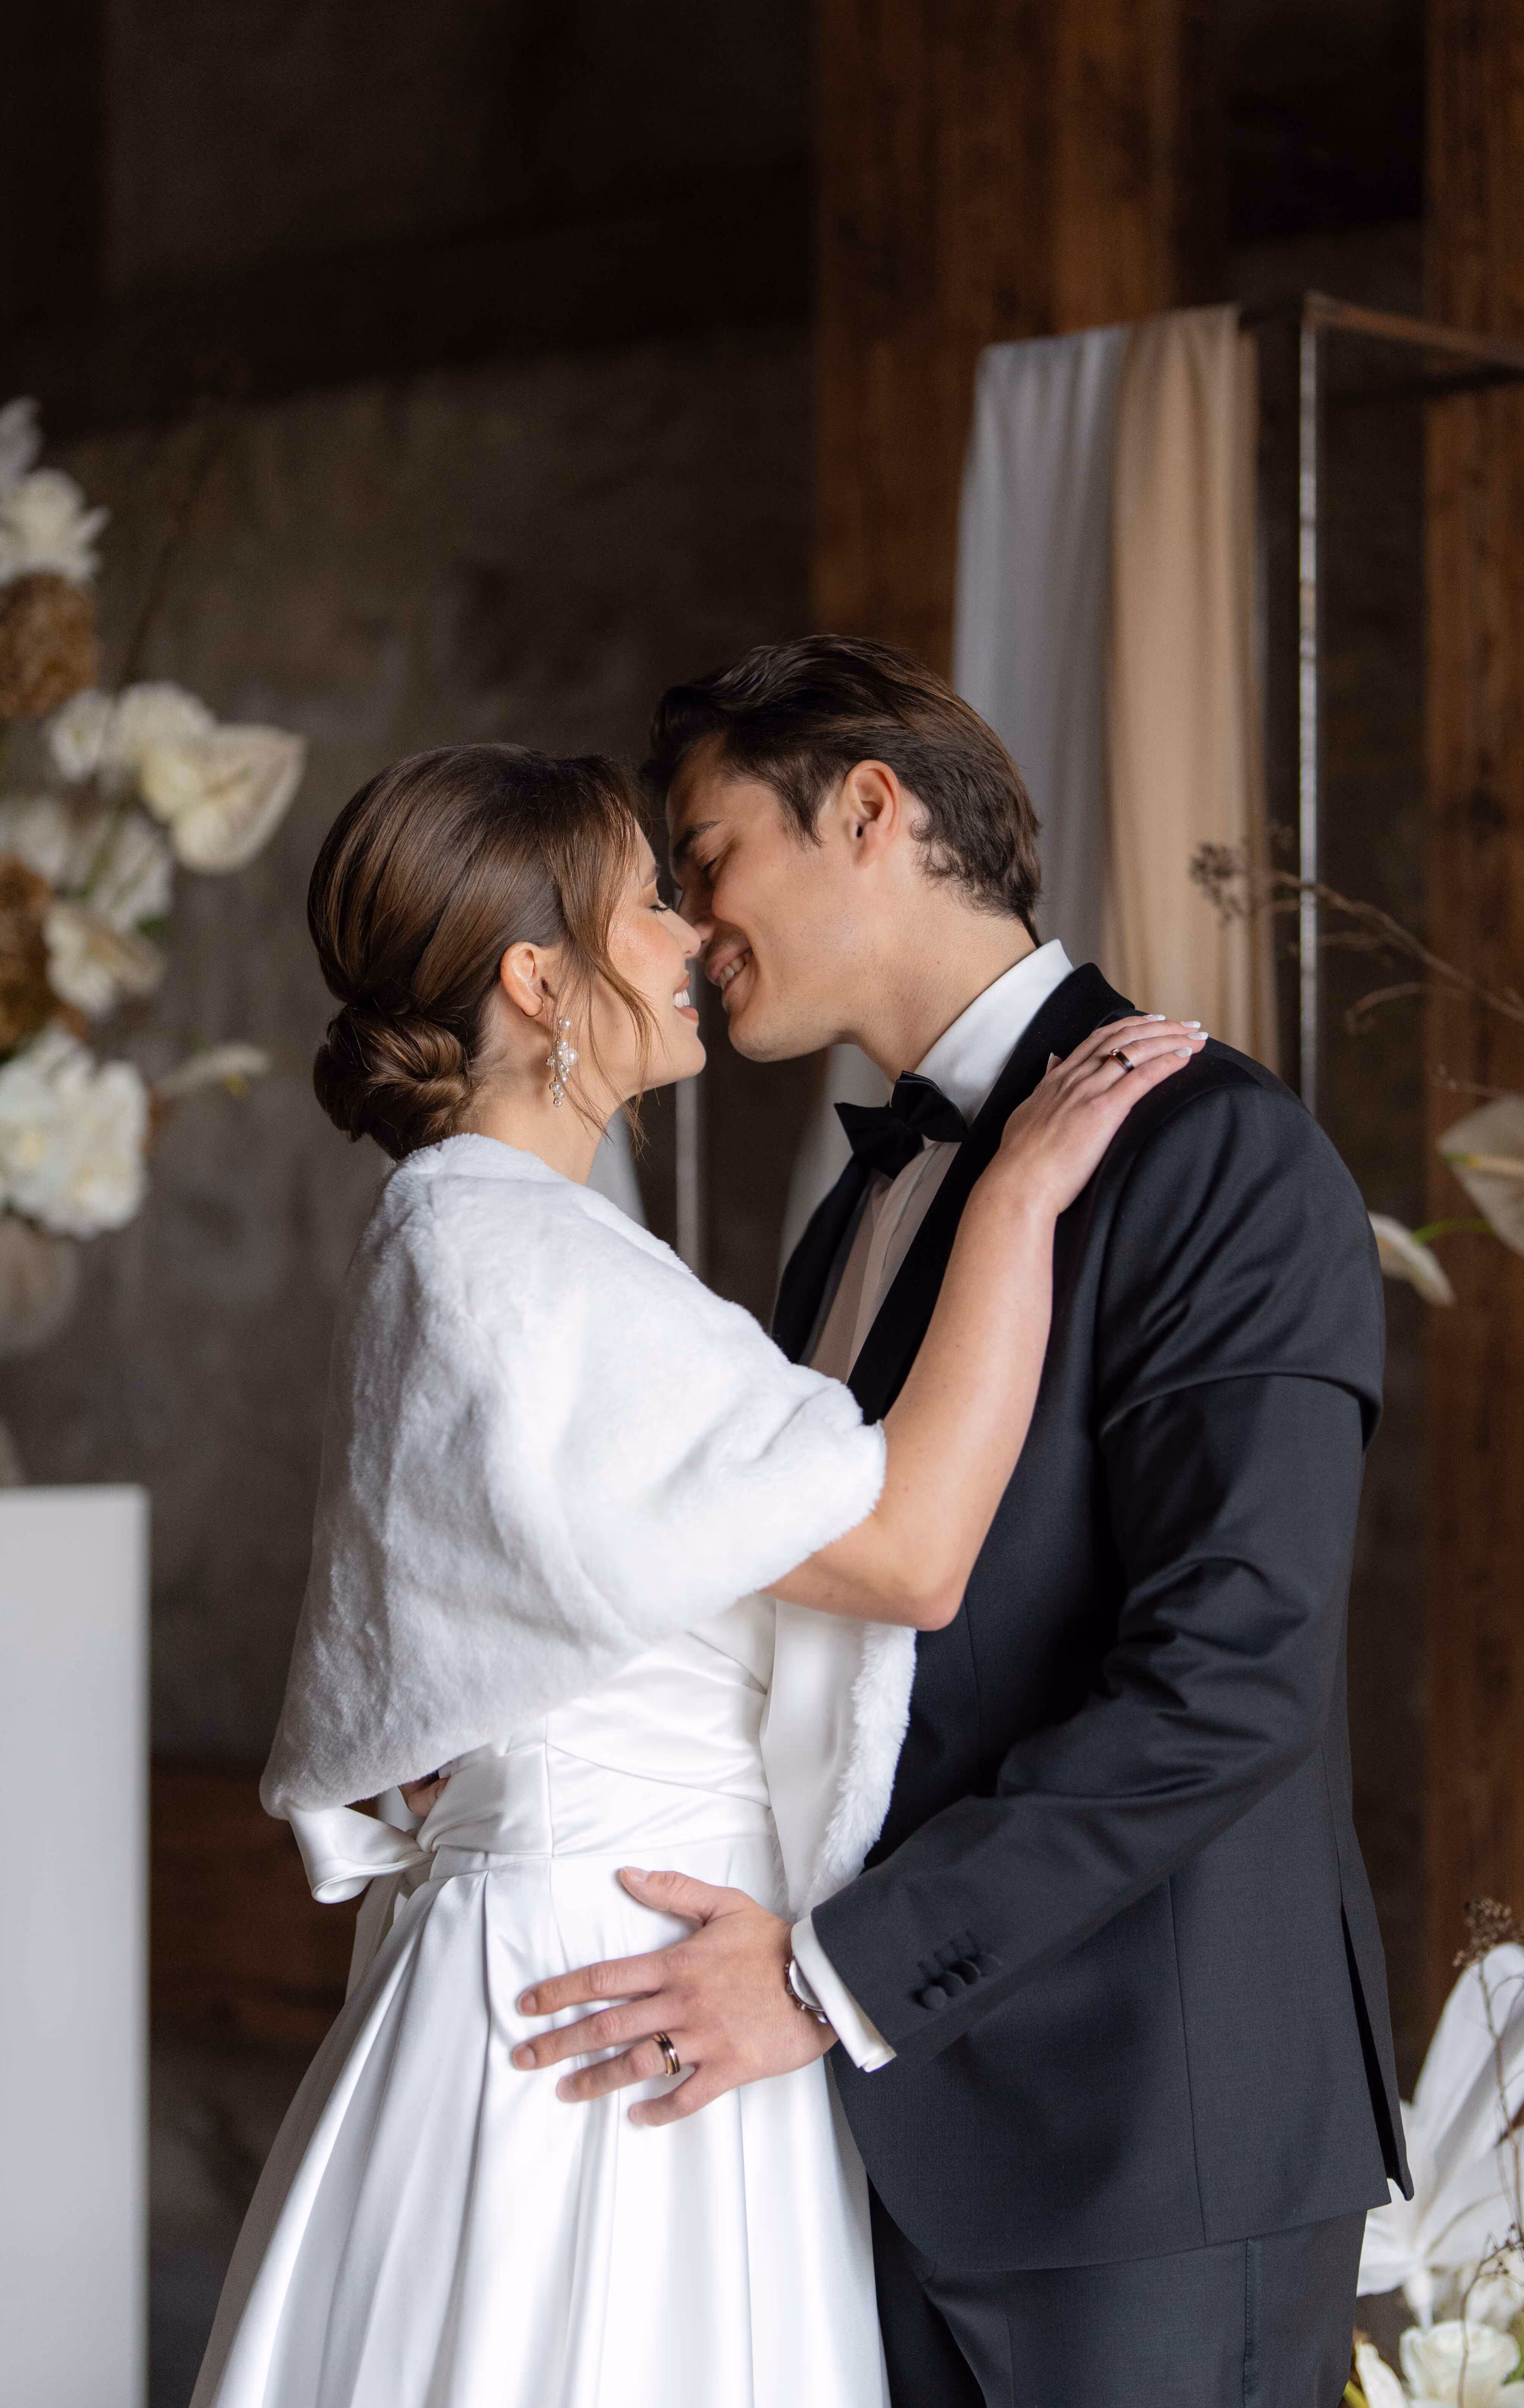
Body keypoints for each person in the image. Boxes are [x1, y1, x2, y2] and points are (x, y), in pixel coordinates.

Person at [193, 740, 1201, 2408]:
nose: (689, 939)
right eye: (647, 905)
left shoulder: (459, 1240)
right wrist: (1017, 1199)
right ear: (541, 982)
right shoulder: (525, 1257)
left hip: (600, 1955)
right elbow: (910, 1555)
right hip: (625, 1985)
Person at [512, 638, 1408, 2408]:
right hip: (877, 2142)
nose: (691, 926)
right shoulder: (858, 1212)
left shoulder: (1212, 1154)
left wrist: (830, 1981)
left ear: (869, 810)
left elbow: (1231, 1680)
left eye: (707, 857)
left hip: (1146, 2157)